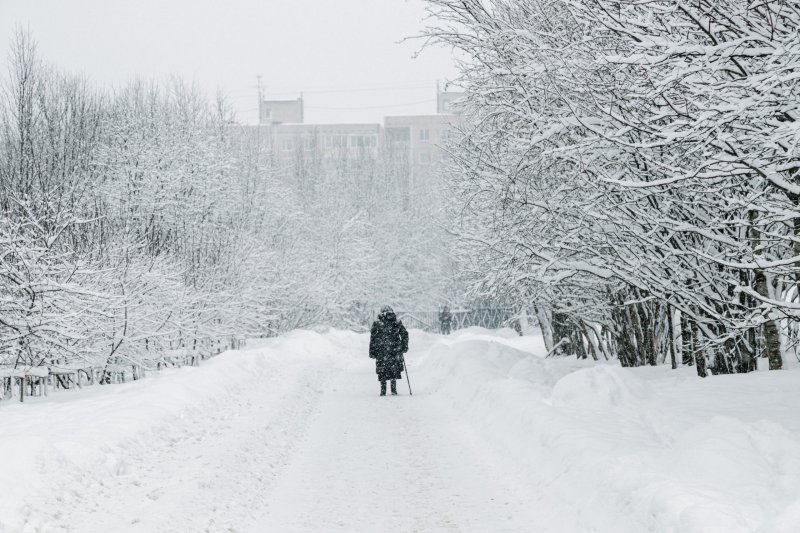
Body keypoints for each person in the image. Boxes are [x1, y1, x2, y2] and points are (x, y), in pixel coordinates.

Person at [369, 306, 409, 396]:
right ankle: (393, 389)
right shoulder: (396, 322)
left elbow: (373, 338)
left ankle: (383, 390)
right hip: (394, 349)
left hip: (381, 350)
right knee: (394, 368)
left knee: (382, 369)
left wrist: (372, 351)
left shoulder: (377, 323)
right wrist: (404, 346)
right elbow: (404, 334)